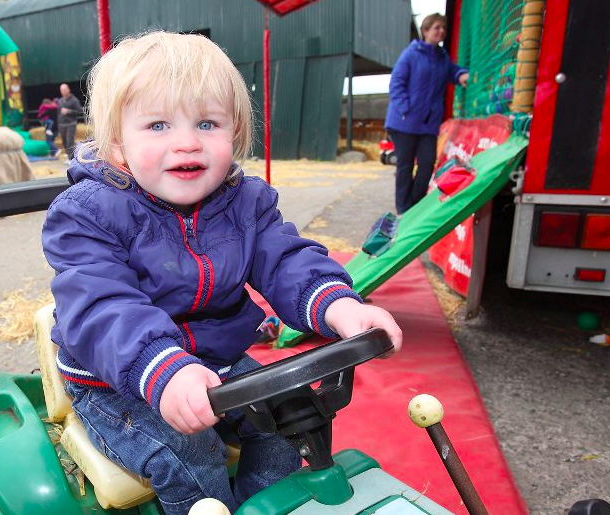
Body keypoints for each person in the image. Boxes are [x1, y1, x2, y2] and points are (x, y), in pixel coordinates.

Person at [42, 31, 403, 515]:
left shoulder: (245, 201)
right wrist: (164, 370)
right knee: (193, 456)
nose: (187, 142)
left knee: (293, 426)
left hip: (220, 364)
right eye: (157, 125)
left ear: (234, 133)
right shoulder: (85, 215)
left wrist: (340, 306)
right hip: (122, 378)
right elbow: (103, 306)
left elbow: (285, 259)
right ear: (116, 145)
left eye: (207, 122)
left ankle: (261, 507)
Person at [384, 13, 469, 214]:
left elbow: (452, 71)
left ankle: (415, 205)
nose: (441, 31)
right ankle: (403, 209)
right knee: (405, 165)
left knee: (427, 163)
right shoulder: (411, 54)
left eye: (443, 28)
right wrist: (406, 109)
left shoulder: (442, 57)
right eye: (436, 27)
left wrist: (461, 75)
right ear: (425, 31)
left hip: (428, 123)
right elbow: (396, 84)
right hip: (404, 121)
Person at [57, 83, 82, 161]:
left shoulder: (74, 100)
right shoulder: (60, 101)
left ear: (68, 89)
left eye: (64, 89)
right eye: (61, 90)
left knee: (69, 142)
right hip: (61, 124)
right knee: (64, 143)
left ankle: (71, 160)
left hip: (70, 124)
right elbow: (58, 112)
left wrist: (69, 111)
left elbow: (80, 111)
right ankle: (70, 158)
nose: (63, 91)